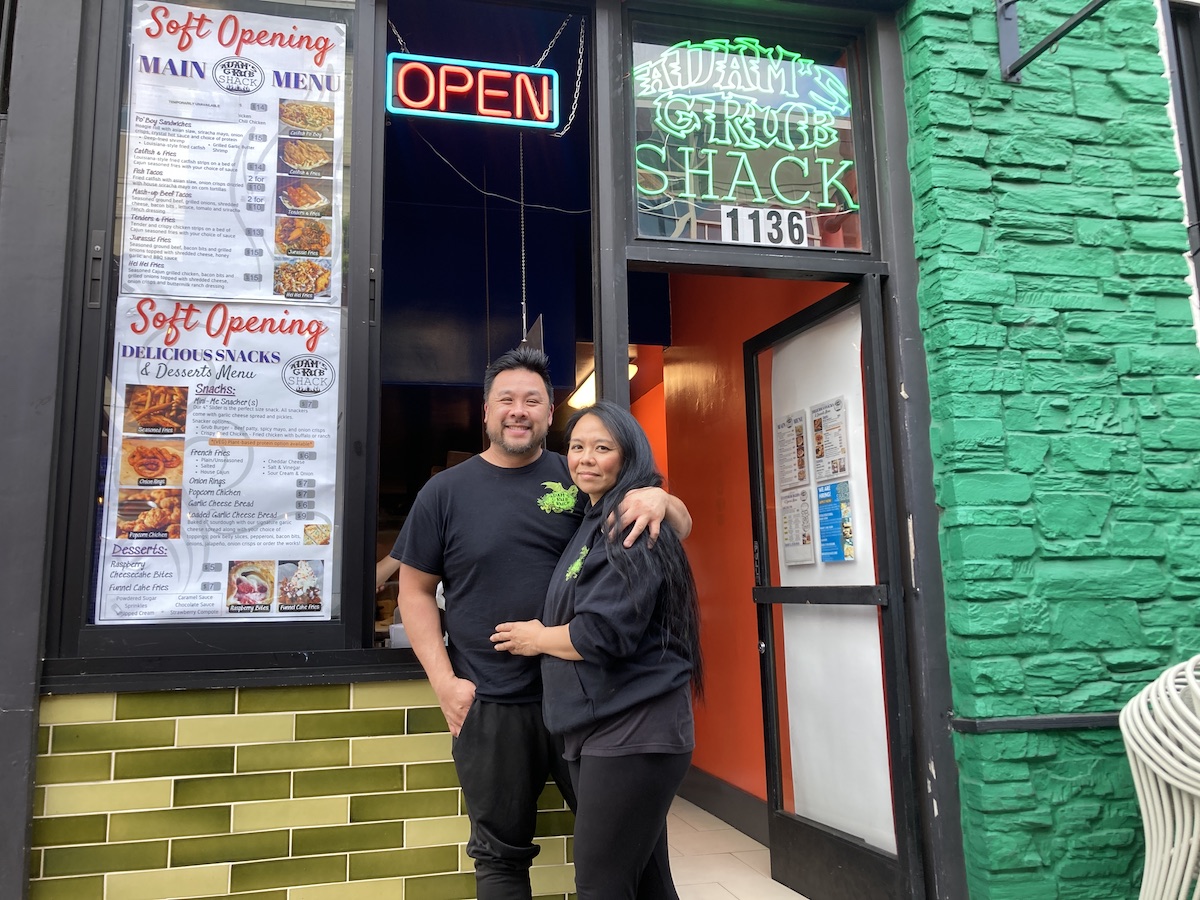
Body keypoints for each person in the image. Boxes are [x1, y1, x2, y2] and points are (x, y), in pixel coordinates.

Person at [394, 347, 691, 900]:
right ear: (485, 411)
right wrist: (444, 683)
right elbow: (413, 593)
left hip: (593, 703)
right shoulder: (445, 493)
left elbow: (661, 526)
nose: (518, 410)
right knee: (500, 857)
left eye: (532, 400)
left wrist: (661, 497)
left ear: (549, 414)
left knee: (638, 854)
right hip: (492, 703)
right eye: (505, 399)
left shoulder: (579, 473)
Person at [491, 399, 704, 900]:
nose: (585, 458)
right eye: (578, 447)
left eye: (602, 448)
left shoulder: (629, 526)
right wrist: (662, 497)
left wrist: (534, 638)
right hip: (600, 726)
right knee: (647, 883)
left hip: (633, 731)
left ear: (627, 457)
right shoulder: (594, 516)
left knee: (601, 884)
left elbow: (600, 636)